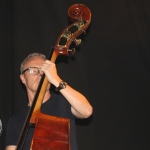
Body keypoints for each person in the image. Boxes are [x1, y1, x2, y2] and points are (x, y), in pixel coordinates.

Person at [5, 53, 93, 150]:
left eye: (44, 70)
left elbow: (86, 111)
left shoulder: (63, 102)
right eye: (33, 70)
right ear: (23, 78)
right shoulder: (15, 120)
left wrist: (56, 79)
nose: (40, 74)